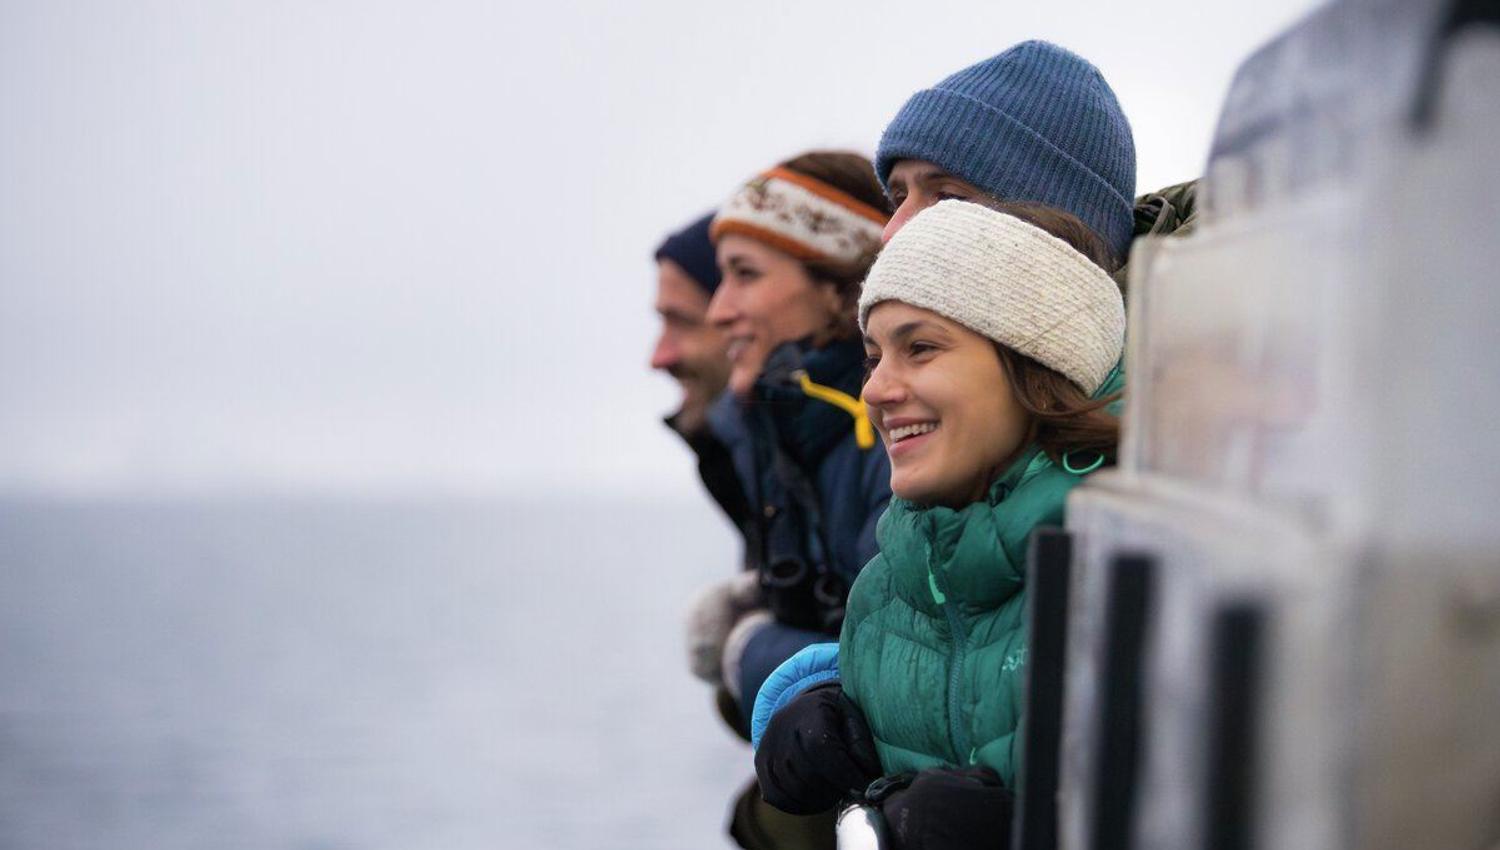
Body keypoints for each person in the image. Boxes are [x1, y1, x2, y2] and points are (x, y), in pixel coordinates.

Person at [751, 199, 1127, 850]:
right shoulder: (887, 585)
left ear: (1040, 367)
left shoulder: (1132, 568)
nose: (875, 390)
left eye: (920, 348)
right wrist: (814, 712)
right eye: (873, 356)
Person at [687, 151, 893, 850]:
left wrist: (750, 649)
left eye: (746, 274)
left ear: (841, 287)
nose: (721, 310)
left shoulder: (883, 429)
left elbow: (883, 674)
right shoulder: (791, 425)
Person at [875, 39, 1197, 282]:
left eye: (948, 198)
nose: (890, 233)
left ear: (1061, 230)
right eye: (899, 199)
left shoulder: (1194, 365)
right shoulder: (894, 362)